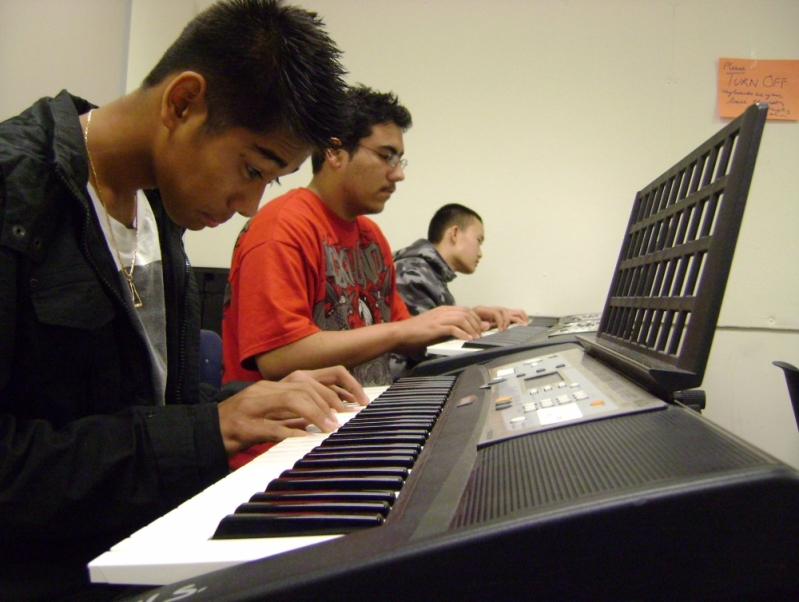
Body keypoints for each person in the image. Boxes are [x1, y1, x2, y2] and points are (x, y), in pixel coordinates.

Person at [0, 1, 368, 600]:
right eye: (251, 167)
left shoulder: (160, 206)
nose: (250, 205)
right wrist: (205, 430)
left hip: (140, 551)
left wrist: (250, 403)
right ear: (182, 102)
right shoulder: (15, 192)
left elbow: (140, 407)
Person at [222, 85, 485, 393]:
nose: (398, 174)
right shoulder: (281, 228)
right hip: (293, 435)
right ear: (334, 151)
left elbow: (403, 329)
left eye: (400, 160)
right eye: (387, 157)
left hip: (357, 420)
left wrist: (468, 320)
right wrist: (402, 332)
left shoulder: (371, 237)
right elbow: (278, 357)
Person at [394, 203, 529, 330]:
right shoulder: (411, 272)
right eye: (478, 240)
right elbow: (421, 347)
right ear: (455, 234)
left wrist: (475, 319)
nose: (480, 253)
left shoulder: (427, 273)